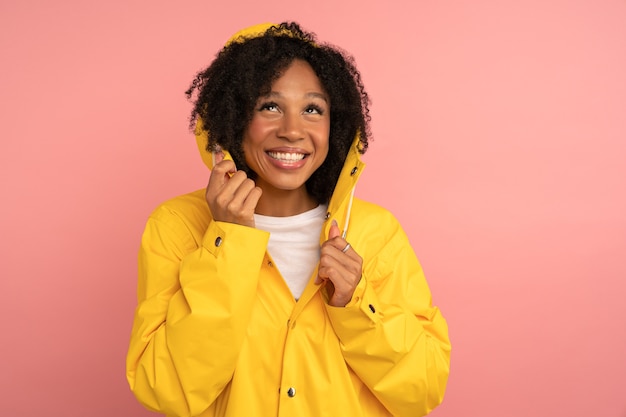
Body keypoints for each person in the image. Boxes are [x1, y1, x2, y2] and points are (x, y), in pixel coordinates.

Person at [126, 22, 451, 417]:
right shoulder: (177, 226)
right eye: (270, 106)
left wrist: (355, 302)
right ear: (234, 117)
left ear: (337, 125)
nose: (293, 130)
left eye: (313, 109)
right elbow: (167, 389)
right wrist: (228, 243)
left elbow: (424, 388)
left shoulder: (375, 232)